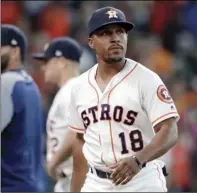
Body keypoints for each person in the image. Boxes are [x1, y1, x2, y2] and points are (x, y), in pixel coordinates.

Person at [68, 7, 180, 192]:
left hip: (141, 178)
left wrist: (139, 159)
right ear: (91, 42)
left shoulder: (146, 79)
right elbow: (80, 141)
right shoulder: (79, 86)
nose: (115, 38)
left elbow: (170, 130)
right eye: (105, 33)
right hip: (96, 182)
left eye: (120, 31)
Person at [32, 37, 83, 192]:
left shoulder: (72, 90)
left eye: (47, 61)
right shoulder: (72, 89)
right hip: (69, 178)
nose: (43, 67)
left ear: (61, 61)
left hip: (76, 179)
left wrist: (54, 162)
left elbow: (77, 131)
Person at [1, 24, 45, 192]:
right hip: (32, 184)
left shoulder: (6, 83)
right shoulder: (31, 84)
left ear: (14, 52)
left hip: (11, 186)